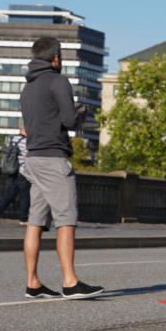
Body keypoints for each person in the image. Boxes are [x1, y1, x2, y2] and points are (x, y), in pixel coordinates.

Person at [19, 37, 103, 300]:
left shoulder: (28, 88)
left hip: (33, 158)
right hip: (54, 159)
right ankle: (70, 281)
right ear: (56, 58)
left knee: (35, 222)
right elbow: (68, 120)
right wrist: (82, 115)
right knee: (66, 220)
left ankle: (32, 282)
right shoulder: (58, 81)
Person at [0, 128, 30, 226]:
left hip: (12, 170)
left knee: (12, 192)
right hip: (22, 171)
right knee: (25, 196)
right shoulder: (27, 141)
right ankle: (23, 219)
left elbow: (1, 148)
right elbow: (29, 156)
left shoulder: (12, 139)